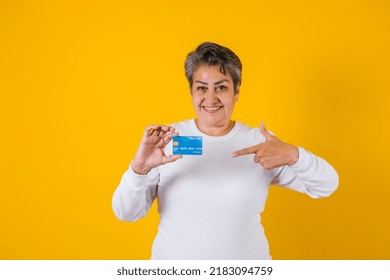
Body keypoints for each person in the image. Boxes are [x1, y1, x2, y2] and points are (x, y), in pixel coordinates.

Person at [112, 42, 339, 260]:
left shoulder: (259, 143)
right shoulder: (166, 141)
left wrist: (294, 155)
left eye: (221, 87)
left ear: (236, 92)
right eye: (202, 87)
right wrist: (138, 170)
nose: (210, 98)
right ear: (192, 92)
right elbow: (126, 213)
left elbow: (326, 185)